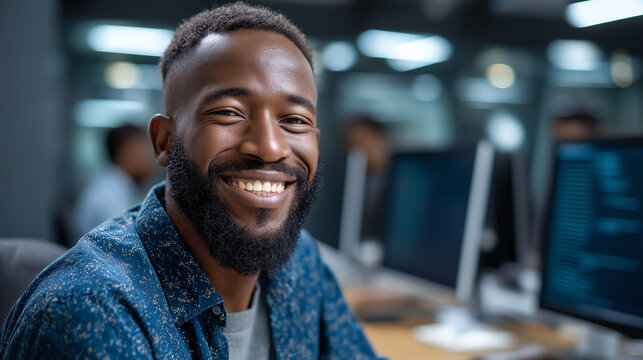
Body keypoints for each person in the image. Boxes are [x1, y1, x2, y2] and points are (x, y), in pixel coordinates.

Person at [0, 3, 381, 359]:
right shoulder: (90, 314)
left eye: (295, 120)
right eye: (229, 113)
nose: (269, 147)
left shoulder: (301, 262)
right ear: (164, 142)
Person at [71, 125, 157, 243]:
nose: (153, 160)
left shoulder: (111, 186)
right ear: (128, 151)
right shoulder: (107, 197)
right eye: (146, 151)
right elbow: (130, 243)